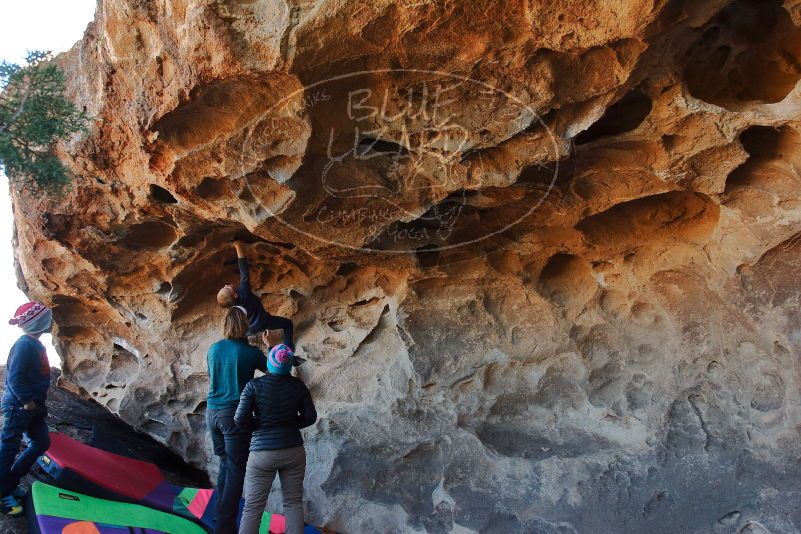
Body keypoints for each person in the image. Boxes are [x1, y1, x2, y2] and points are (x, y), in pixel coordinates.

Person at [235, 342, 317, 534]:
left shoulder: (253, 386)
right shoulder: (298, 386)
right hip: (293, 450)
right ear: (289, 365)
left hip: (262, 452)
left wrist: (262, 426)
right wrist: (287, 425)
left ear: (270, 363)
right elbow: (310, 417)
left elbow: (240, 419)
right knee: (293, 502)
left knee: (253, 507)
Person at [206, 307, 268, 534]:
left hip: (212, 413)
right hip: (233, 417)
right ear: (246, 325)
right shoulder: (250, 353)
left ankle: (218, 514)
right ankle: (225, 528)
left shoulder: (213, 349)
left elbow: (213, 377)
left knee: (225, 464)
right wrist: (271, 347)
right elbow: (275, 370)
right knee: (235, 472)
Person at [0, 301, 53, 516]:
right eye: (48, 318)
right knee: (8, 448)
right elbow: (14, 378)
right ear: (39, 322)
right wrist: (26, 400)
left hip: (33, 407)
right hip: (19, 406)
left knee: (42, 442)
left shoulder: (35, 344)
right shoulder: (24, 345)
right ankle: (2, 494)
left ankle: (9, 483)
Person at [217, 241, 296, 352]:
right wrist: (238, 247)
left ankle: (242, 345)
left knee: (242, 335)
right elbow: (244, 271)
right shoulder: (244, 292)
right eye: (226, 288)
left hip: (248, 329)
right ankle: (289, 349)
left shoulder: (232, 307)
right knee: (288, 324)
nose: (226, 285)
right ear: (235, 295)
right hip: (263, 321)